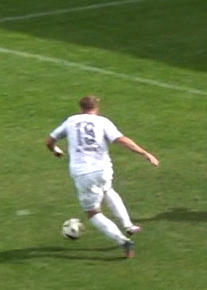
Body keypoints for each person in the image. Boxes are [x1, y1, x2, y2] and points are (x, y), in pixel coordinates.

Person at [47, 95, 158, 258]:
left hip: (83, 173)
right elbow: (121, 140)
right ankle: (128, 225)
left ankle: (122, 241)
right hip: (103, 169)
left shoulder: (71, 121)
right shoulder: (103, 121)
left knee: (93, 213)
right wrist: (144, 153)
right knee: (108, 190)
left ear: (81, 108)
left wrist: (55, 150)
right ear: (97, 108)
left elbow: (50, 141)